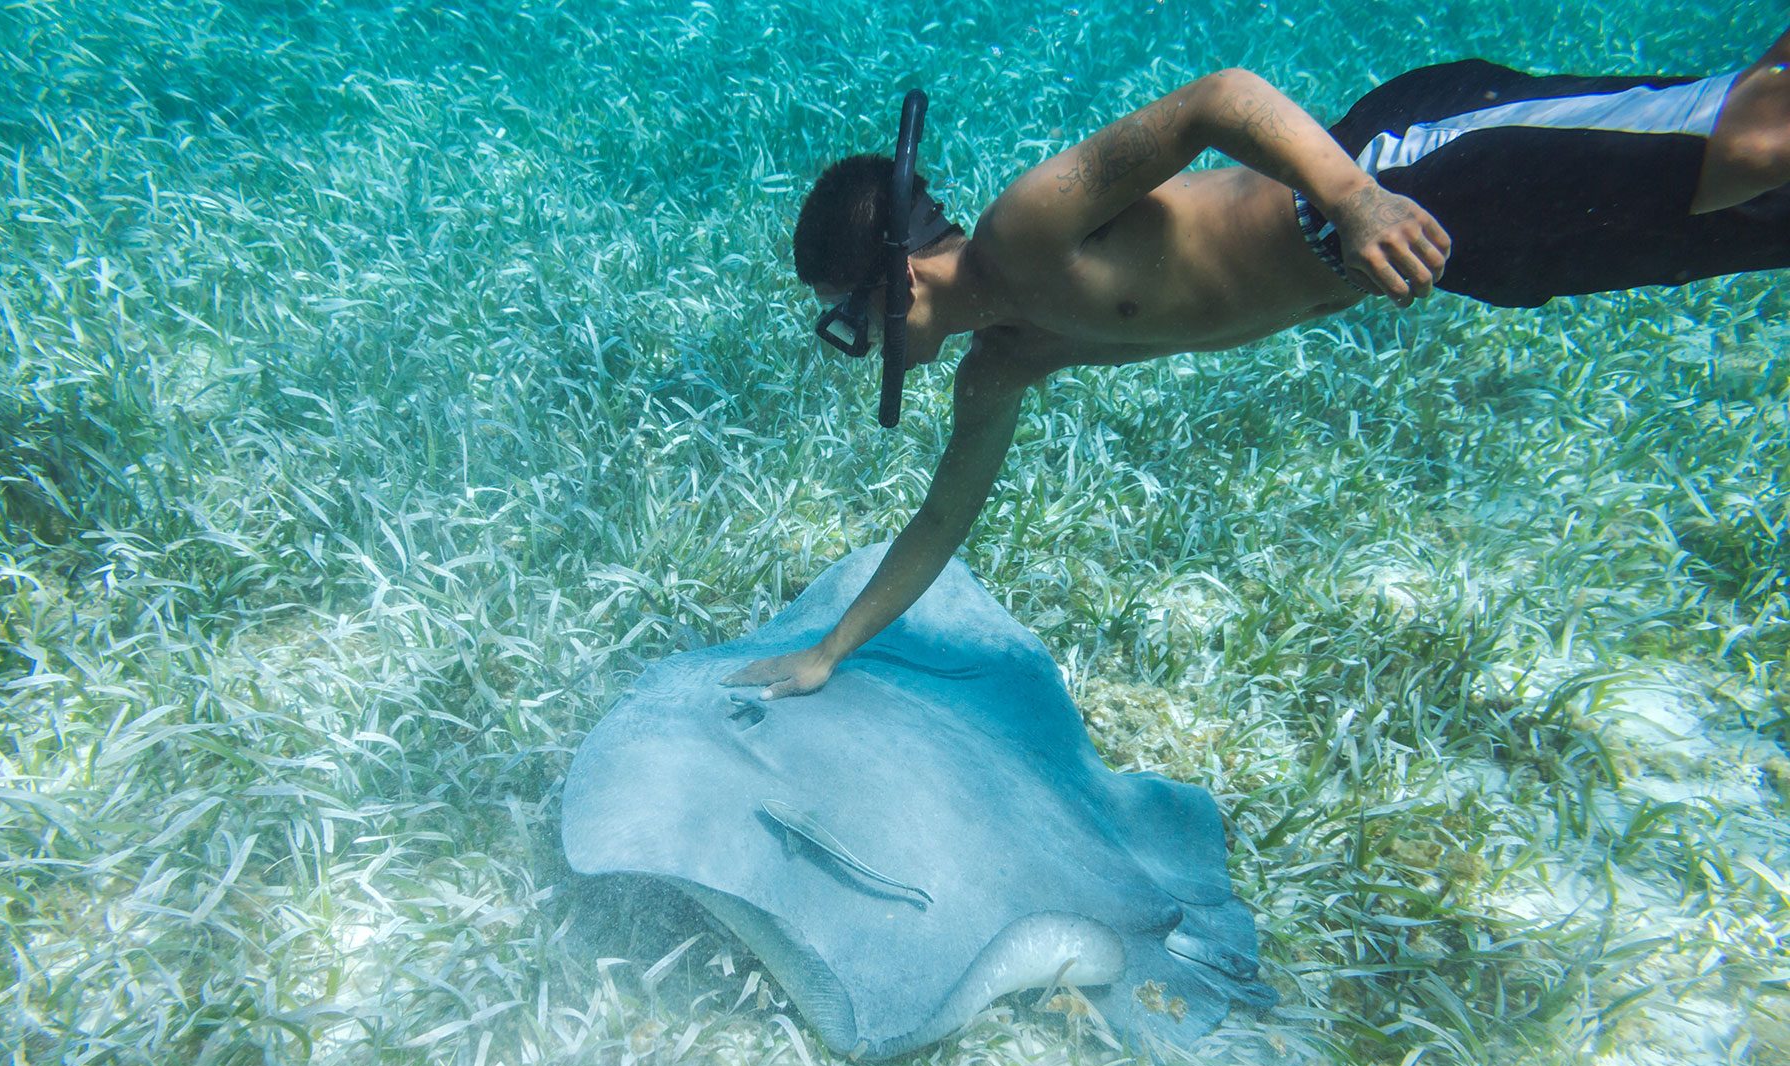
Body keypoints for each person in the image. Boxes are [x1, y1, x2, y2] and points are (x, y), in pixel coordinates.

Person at [726, 31, 1790, 700]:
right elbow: (939, 523)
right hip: (1435, 255)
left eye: (848, 323)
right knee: (1741, 215)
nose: (860, 351)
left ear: (896, 275)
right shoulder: (1003, 364)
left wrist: (1354, 195)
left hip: (1404, 169)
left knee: (1748, 141)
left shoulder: (1029, 226)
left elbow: (1220, 99)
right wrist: (830, 651)